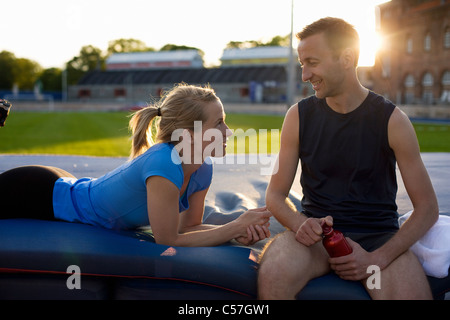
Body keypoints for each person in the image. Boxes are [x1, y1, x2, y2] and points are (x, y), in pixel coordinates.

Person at [257, 17, 439, 299]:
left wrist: (377, 259)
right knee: (274, 274)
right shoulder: (298, 116)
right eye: (302, 63)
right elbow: (275, 195)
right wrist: (300, 224)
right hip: (316, 239)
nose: (305, 75)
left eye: (312, 62)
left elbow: (427, 208)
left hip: (377, 241)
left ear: (347, 58)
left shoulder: (392, 121)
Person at [0, 84, 271, 247]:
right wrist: (234, 227)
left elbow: (187, 229)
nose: (229, 131)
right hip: (37, 192)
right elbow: (167, 240)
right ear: (189, 135)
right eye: (219, 123)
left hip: (63, 185)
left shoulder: (202, 168)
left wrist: (235, 234)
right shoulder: (164, 164)